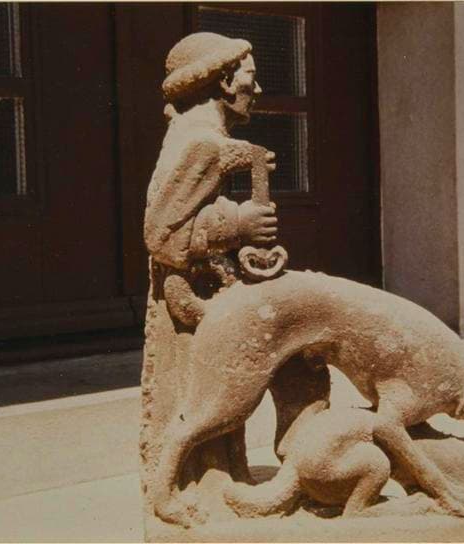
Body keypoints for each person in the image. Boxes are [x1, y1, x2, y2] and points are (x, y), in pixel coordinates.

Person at [140, 32, 279, 527]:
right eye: (249, 78)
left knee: (213, 390)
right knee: (202, 392)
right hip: (191, 296)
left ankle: (215, 478)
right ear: (223, 82)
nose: (256, 90)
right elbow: (161, 235)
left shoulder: (202, 138)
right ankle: (194, 486)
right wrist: (239, 224)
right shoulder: (201, 143)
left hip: (204, 290)